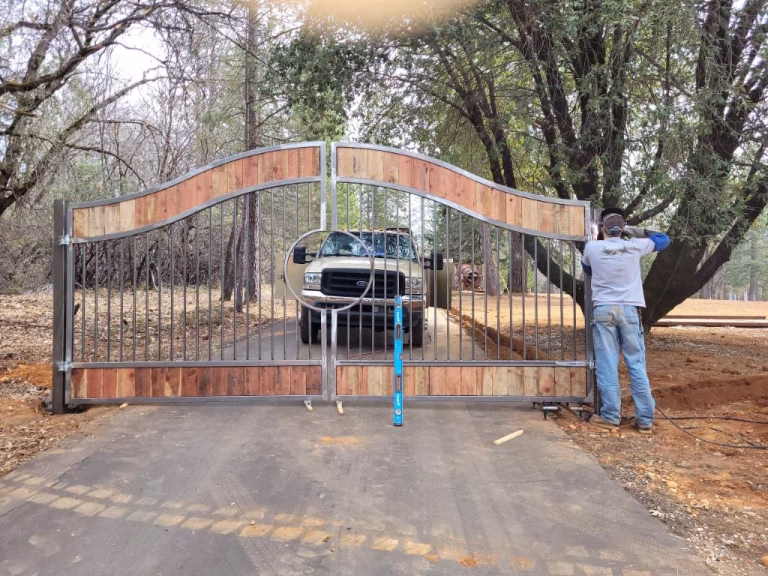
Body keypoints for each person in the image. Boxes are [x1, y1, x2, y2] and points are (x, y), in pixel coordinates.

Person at [581, 207, 670, 433]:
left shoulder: (591, 248)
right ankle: (645, 420)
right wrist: (629, 230)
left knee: (607, 363)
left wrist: (606, 238)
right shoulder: (635, 246)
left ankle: (610, 416)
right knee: (636, 364)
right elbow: (663, 239)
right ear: (621, 228)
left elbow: (587, 269)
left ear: (602, 228)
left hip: (603, 310)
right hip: (629, 310)